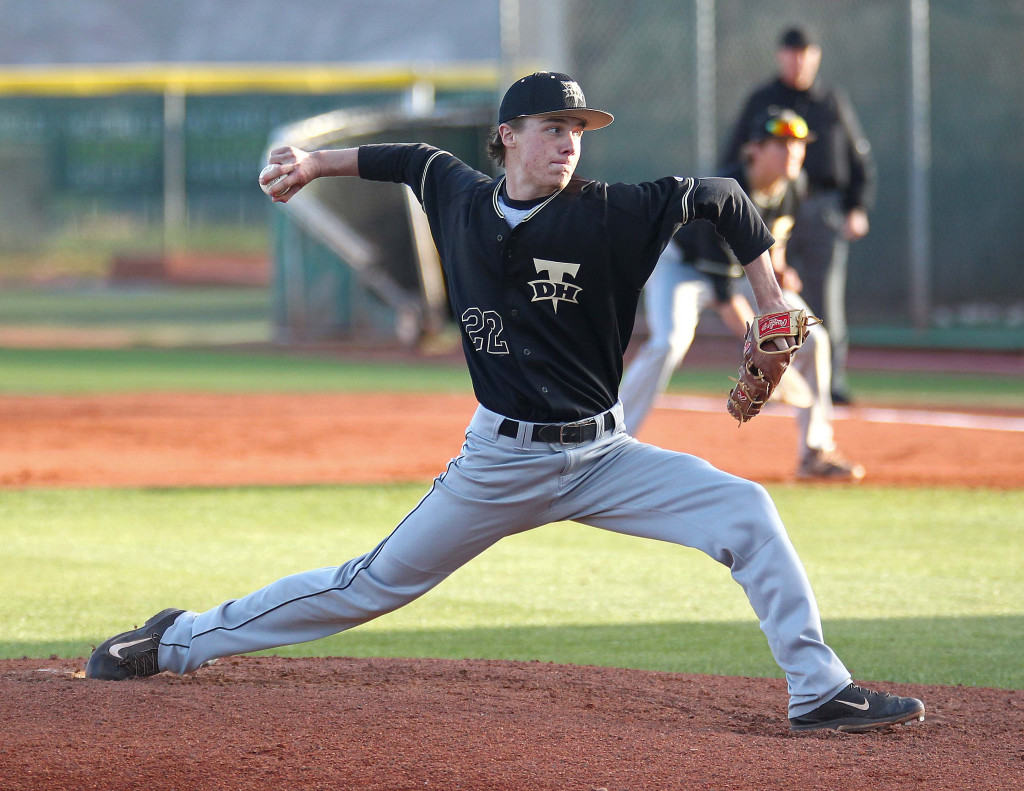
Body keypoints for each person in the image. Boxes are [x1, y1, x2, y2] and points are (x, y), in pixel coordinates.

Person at [86, 72, 922, 733]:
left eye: (578, 131)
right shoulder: (454, 191)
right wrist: (312, 165)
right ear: (507, 139)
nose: (568, 143)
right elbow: (407, 156)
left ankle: (820, 690)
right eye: (553, 127)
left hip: (603, 456)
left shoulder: (614, 214)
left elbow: (725, 197)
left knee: (747, 511)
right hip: (500, 460)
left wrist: (769, 295)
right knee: (366, 584)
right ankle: (179, 640)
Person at [619, 108, 865, 481]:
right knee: (670, 342)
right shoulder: (725, 195)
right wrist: (761, 350)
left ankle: (814, 453)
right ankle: (612, 439)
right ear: (754, 150)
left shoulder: (793, 186)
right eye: (782, 145)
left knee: (815, 340)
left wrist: (780, 271)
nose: (793, 153)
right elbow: (722, 295)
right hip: (683, 267)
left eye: (798, 145)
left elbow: (773, 241)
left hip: (743, 272)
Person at [721, 26, 875, 405]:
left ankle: (830, 384)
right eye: (792, 52)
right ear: (781, 56)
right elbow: (732, 155)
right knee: (767, 290)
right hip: (763, 207)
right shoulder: (762, 99)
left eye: (806, 52)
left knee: (824, 304)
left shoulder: (830, 101)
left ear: (816, 56)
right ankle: (773, 369)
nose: (799, 59)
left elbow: (859, 159)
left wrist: (857, 205)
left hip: (823, 208)